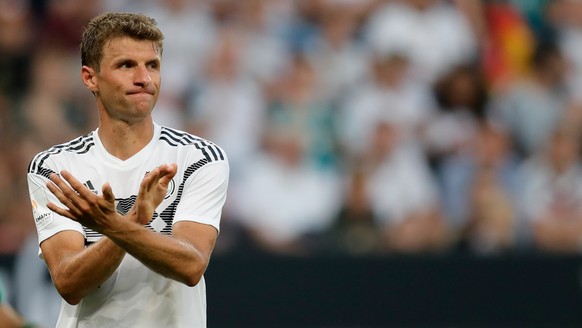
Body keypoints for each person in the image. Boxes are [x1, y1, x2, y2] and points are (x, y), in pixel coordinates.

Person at [26, 12, 229, 328]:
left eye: (152, 65)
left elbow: (191, 265)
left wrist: (113, 224)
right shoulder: (55, 168)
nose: (144, 79)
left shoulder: (199, 158)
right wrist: (135, 219)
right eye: (126, 65)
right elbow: (69, 283)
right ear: (90, 78)